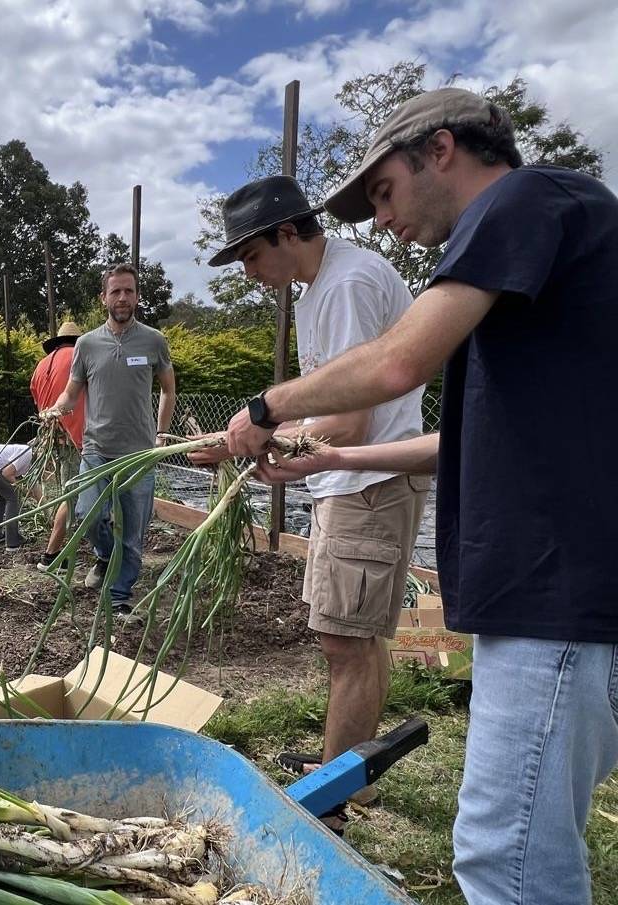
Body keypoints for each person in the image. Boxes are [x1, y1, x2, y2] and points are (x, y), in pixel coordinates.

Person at [224, 88, 618, 905]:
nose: (380, 219)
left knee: (505, 859)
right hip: (554, 592)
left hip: (558, 593)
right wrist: (331, 453)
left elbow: (398, 362)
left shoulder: (526, 197)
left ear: (441, 150)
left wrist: (268, 407)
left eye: (384, 191)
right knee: (525, 839)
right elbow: (462, 440)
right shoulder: (531, 252)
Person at [189, 175, 428, 815]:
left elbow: (349, 423)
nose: (248, 272)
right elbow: (317, 413)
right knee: (360, 635)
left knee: (344, 641)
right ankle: (350, 767)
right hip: (354, 482)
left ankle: (333, 799)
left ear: (288, 233)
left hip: (367, 484)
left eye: (251, 255)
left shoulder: (345, 285)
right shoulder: (320, 288)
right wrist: (241, 439)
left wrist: (264, 435)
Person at [44, 263, 176, 616]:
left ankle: (119, 596)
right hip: (96, 449)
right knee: (86, 512)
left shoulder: (153, 340)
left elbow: (167, 390)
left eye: (128, 291)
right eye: (115, 291)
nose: (122, 297)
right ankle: (104, 556)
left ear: (137, 296)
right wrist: (55, 410)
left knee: (133, 532)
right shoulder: (87, 345)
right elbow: (71, 394)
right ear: (103, 297)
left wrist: (161, 434)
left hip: (140, 453)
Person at [29, 321, 85, 572]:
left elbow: (37, 400)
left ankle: (83, 542)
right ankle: (51, 556)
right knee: (72, 495)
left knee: (68, 490)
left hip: (54, 437)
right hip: (77, 435)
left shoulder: (42, 365)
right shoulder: (78, 356)